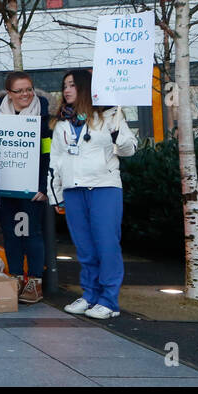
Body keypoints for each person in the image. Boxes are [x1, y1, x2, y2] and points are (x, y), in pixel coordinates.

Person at [49, 69, 135, 320]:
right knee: (84, 247)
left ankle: (109, 300)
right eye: (64, 85)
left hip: (104, 187)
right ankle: (89, 295)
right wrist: (56, 195)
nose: (66, 90)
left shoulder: (110, 116)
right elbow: (55, 161)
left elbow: (130, 149)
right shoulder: (62, 122)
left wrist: (118, 134)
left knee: (106, 245)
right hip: (73, 190)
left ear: (85, 88)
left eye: (72, 85)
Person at [0, 71, 52, 304]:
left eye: (29, 89)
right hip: (4, 186)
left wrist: (44, 186)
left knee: (30, 232)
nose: (25, 94)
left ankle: (35, 281)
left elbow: (47, 154)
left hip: (31, 187)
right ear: (9, 93)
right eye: (19, 90)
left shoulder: (44, 115)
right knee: (11, 233)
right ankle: (14, 278)